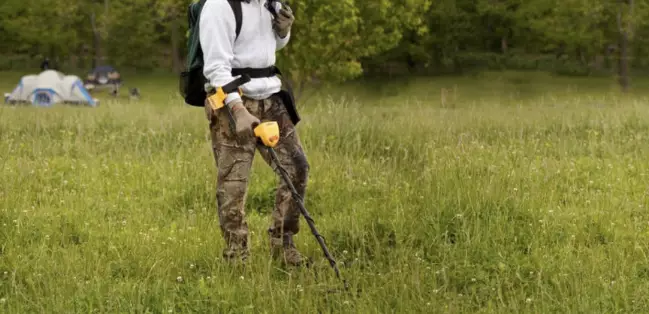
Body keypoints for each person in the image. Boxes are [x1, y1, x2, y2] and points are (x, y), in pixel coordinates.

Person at [199, 0, 308, 266]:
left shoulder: (270, 3)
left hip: (271, 98)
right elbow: (216, 67)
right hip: (232, 102)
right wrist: (237, 110)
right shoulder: (219, 6)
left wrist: (283, 32)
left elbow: (268, 47)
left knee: (296, 168)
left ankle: (283, 244)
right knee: (233, 184)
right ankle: (237, 256)